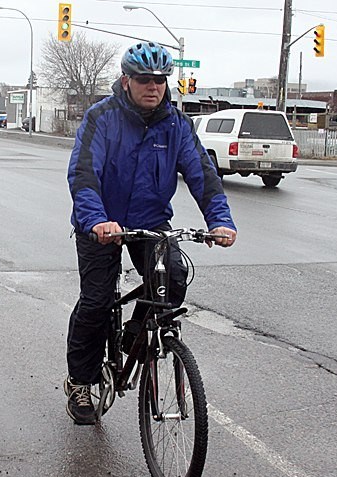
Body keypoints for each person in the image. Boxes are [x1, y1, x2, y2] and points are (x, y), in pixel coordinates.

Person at [64, 41, 237, 425]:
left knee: (173, 280)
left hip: (149, 223)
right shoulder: (101, 118)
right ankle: (80, 381)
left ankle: (135, 338)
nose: (153, 86)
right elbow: (84, 174)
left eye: (160, 80)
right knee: (95, 301)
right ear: (126, 81)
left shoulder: (176, 125)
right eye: (144, 79)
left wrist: (220, 221)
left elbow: (202, 176)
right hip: (101, 223)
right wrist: (96, 221)